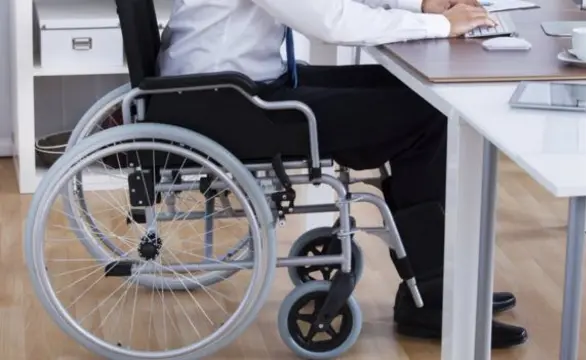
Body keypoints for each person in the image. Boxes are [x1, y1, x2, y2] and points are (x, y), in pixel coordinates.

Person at [157, 0, 527, 348]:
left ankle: (436, 288)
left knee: (419, 95)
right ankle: (432, 298)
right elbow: (329, 20)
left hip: (238, 90)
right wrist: (439, 24)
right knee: (427, 115)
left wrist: (420, 6)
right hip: (227, 106)